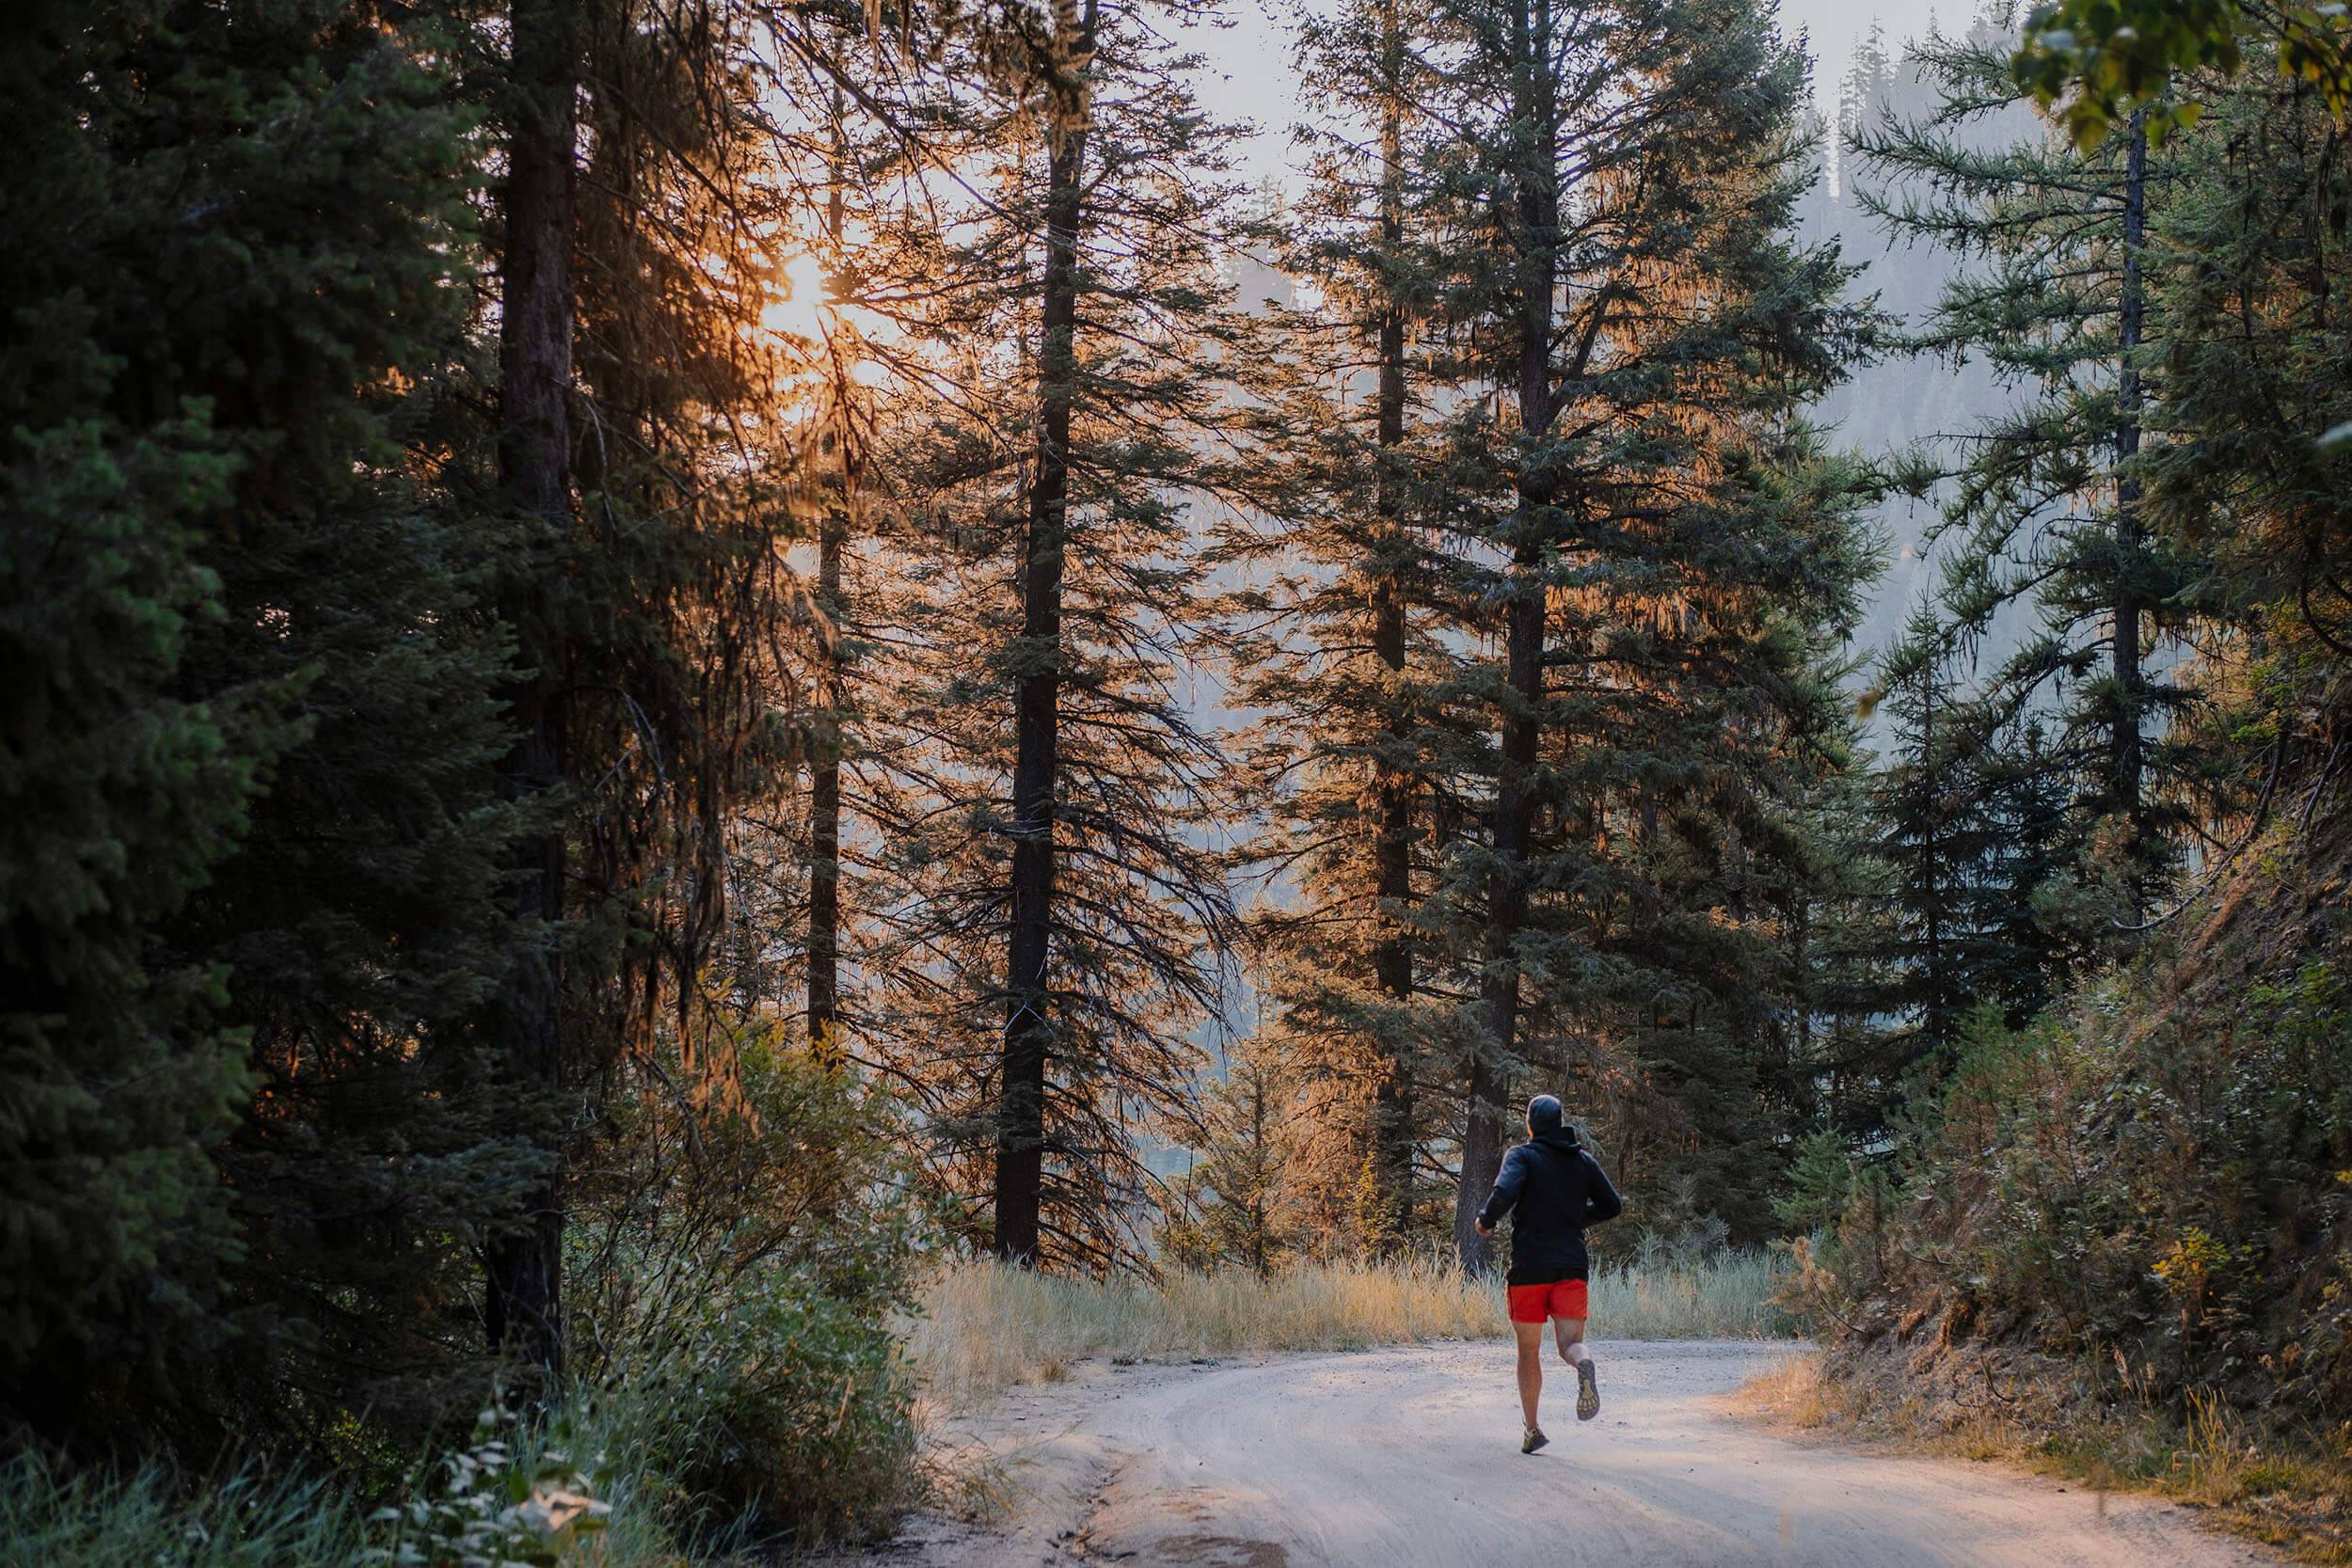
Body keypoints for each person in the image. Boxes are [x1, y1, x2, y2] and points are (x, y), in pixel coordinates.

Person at [1473, 1094, 1623, 1453]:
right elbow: (1611, 1205)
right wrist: (1576, 1219)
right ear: (1559, 1123)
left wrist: (1486, 1220)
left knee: (1528, 1349)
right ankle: (1584, 1362)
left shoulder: (1522, 1156)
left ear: (1530, 1125)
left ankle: (1532, 1429)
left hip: (1529, 1268)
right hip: (1571, 1265)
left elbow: (1505, 1190)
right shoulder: (1582, 1160)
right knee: (1569, 1344)